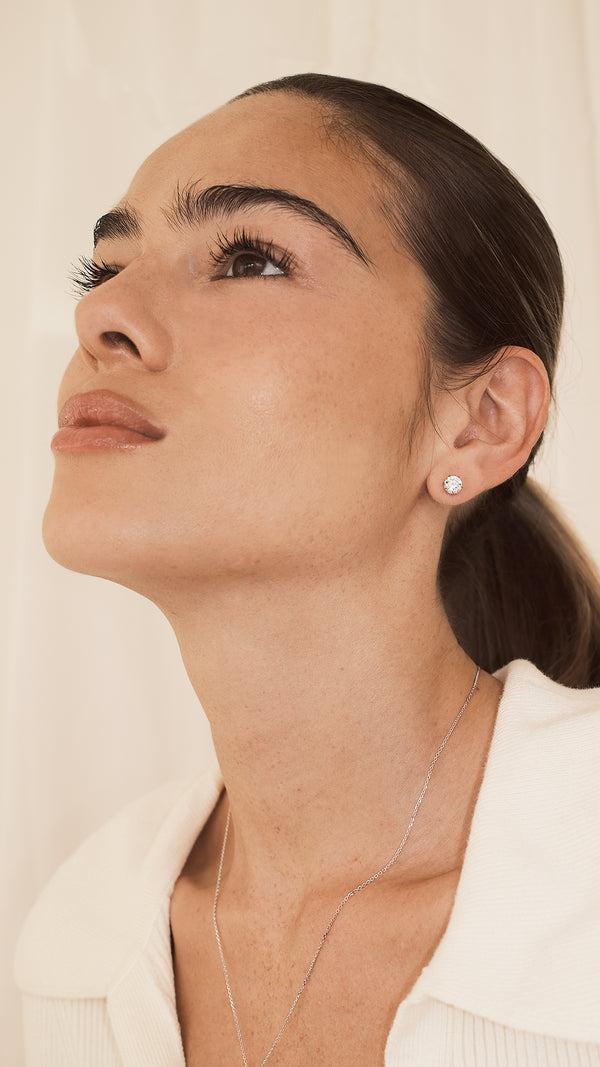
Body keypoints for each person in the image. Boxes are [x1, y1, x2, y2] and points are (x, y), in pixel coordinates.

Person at [15, 73, 600, 1066]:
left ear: (483, 417)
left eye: (249, 258)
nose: (103, 315)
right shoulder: (81, 933)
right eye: (100, 267)